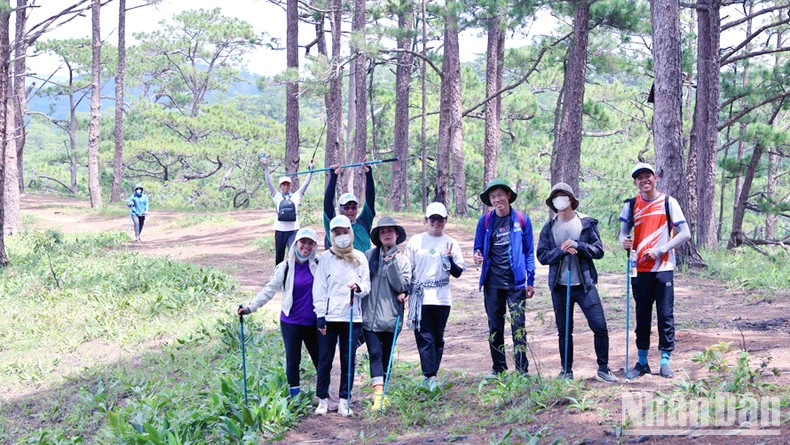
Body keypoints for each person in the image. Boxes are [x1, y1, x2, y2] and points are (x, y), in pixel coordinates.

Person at [536, 183, 619, 383]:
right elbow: (542, 256)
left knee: (599, 325)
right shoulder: (549, 227)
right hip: (559, 287)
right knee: (564, 331)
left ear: (571, 199)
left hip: (585, 285)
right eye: (555, 197)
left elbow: (598, 251)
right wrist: (561, 251)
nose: (559, 200)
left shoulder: (586, 223)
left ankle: (603, 368)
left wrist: (578, 246)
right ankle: (566, 371)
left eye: (563, 196)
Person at [619, 163, 691, 379]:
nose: (644, 180)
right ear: (635, 182)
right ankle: (642, 362)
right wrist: (624, 242)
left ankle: (665, 361)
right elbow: (622, 235)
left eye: (647, 176)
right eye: (639, 177)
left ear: (655, 178)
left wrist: (661, 249)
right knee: (642, 314)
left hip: (663, 267)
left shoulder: (669, 202)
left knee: (665, 314)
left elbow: (684, 233)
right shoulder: (631, 205)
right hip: (639, 268)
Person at [237, 228, 321, 398]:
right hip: (291, 321)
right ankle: (294, 397)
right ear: (296, 243)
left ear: (314, 246)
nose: (306, 246)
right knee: (293, 359)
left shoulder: (319, 264)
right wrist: (250, 308)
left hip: (313, 322)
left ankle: (324, 396)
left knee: (320, 358)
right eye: (302, 242)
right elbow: (269, 290)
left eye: (310, 243)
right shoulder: (285, 266)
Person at [473, 179, 535, 377]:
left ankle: (522, 369)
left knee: (518, 326)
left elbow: (528, 251)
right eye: (492, 197)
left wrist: (530, 280)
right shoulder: (485, 221)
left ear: (508, 195)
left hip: (515, 284)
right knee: (494, 326)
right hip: (492, 283)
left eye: (500, 195)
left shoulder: (522, 220)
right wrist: (477, 255)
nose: (496, 199)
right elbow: (478, 247)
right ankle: (498, 368)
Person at [313, 215, 371, 417]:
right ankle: (323, 399)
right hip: (330, 317)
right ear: (331, 235)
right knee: (325, 359)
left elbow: (366, 286)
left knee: (349, 359)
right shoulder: (326, 258)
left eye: (344, 231)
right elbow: (319, 288)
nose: (341, 236)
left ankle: (345, 399)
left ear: (350, 232)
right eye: (337, 232)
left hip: (352, 317)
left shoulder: (359, 257)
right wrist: (320, 315)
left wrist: (358, 288)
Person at [405, 202, 465, 391]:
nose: (436, 223)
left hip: (441, 297)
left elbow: (457, 272)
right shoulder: (415, 241)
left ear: (445, 221)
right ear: (426, 220)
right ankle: (428, 374)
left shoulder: (451, 243)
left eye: (440, 219)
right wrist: (404, 291)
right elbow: (408, 269)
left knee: (438, 337)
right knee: (425, 337)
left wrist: (449, 259)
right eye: (433, 219)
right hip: (421, 297)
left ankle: (432, 374)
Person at [363, 216, 411, 411]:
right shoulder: (368, 256)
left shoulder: (403, 260)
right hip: (369, 318)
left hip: (392, 318)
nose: (386, 234)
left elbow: (402, 285)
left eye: (390, 231)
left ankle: (384, 393)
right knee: (374, 353)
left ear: (396, 234)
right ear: (378, 236)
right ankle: (378, 395)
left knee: (386, 356)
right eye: (383, 232)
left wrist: (391, 264)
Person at [262, 156, 315, 265]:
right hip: (280, 230)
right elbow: (269, 183)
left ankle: (294, 276)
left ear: (291, 186)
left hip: (293, 230)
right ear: (281, 186)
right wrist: (266, 167)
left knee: (294, 254)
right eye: (284, 184)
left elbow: (306, 184)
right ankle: (278, 277)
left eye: (288, 184)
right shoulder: (276, 196)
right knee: (279, 256)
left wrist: (311, 169)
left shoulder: (296, 196)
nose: (286, 186)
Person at [322, 159, 375, 251]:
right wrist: (334, 177)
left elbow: (370, 199)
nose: (350, 211)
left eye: (353, 208)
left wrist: (369, 174)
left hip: (364, 264)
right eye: (346, 208)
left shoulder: (364, 222)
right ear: (340, 209)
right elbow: (328, 204)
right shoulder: (334, 225)